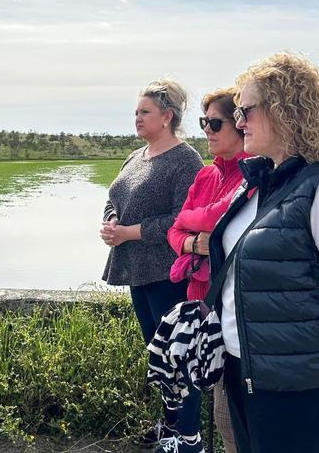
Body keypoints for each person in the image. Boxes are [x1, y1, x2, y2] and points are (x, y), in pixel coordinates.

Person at [209, 53, 319, 453]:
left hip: (297, 384)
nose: (238, 122)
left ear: (285, 111)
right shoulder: (261, 182)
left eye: (247, 110)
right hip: (243, 370)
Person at [100, 79, 204, 453]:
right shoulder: (136, 156)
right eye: (136, 112)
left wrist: (129, 231)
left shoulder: (185, 160)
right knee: (157, 354)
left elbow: (183, 217)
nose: (137, 119)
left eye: (145, 112)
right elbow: (114, 197)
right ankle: (169, 427)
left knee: (180, 354)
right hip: (136, 271)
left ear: (167, 116)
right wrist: (112, 222)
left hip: (168, 273)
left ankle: (188, 437)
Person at [166, 87, 250, 453]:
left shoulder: (251, 172)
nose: (207, 130)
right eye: (203, 122)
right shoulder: (205, 176)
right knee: (220, 411)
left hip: (234, 309)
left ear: (240, 124)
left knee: (236, 420)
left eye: (215, 123)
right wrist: (195, 241)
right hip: (203, 306)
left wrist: (191, 225)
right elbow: (174, 231)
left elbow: (215, 219)